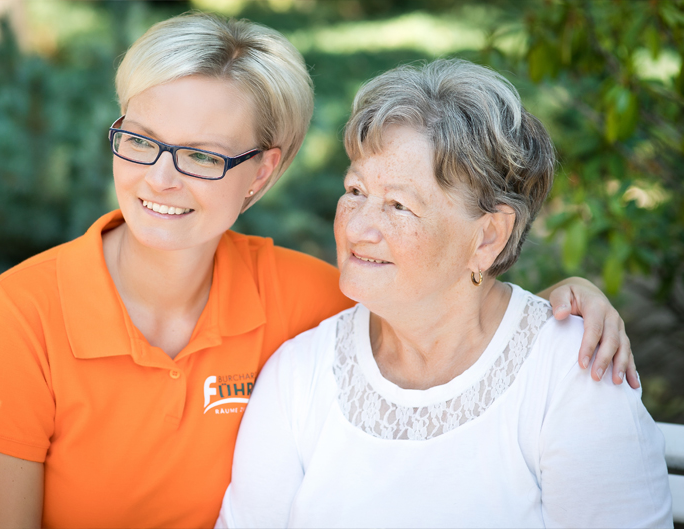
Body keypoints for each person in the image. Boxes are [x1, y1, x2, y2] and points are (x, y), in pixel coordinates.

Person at [0, 14, 639, 529]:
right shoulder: (23, 313)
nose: (160, 178)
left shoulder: (306, 299)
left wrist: (558, 307)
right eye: (141, 141)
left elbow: (438, 304)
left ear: (263, 172)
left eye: (203, 155)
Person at [217, 59, 672, 528]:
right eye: (355, 189)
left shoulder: (574, 374)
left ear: (489, 237)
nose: (356, 226)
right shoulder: (300, 372)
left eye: (398, 205)